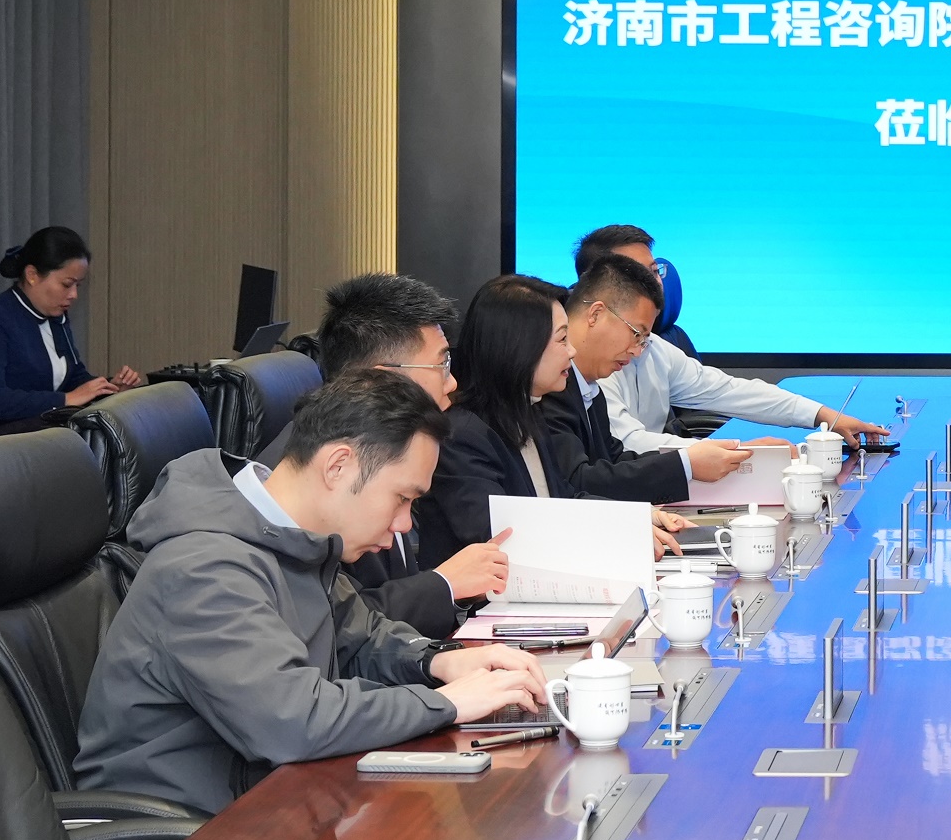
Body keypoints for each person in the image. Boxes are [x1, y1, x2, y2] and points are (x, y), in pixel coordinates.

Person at [75, 371, 546, 815]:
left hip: (274, 806)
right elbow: (291, 720)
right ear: (338, 466)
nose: (405, 523)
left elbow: (360, 637)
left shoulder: (289, 536)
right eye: (402, 498)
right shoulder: (204, 567)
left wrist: (438, 662)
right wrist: (448, 703)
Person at [312, 272, 510, 636]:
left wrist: (457, 591)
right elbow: (334, 627)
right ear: (384, 379)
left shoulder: (389, 450)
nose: (453, 383)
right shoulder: (319, 473)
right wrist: (444, 584)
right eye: (441, 366)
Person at [575, 225, 892, 449]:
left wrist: (825, 416)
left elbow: (729, 391)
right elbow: (629, 443)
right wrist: (744, 451)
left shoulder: (655, 347)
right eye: (638, 273)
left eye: (654, 271)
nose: (654, 283)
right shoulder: (589, 364)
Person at [413, 275, 577, 570]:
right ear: (521, 347)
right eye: (562, 339)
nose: (572, 351)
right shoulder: (462, 436)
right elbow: (501, 539)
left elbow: (562, 498)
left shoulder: (528, 412)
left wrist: (634, 522)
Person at [543, 253, 731, 503]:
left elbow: (614, 460)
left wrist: (693, 458)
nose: (637, 351)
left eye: (644, 340)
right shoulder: (550, 388)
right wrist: (685, 463)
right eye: (636, 334)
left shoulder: (589, 387)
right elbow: (577, 481)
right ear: (596, 314)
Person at [0, 226, 142, 437]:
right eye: (66, 284)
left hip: (41, 435)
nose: (73, 295)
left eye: (78, 285)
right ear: (32, 275)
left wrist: (108, 390)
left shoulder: (56, 317)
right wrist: (66, 399)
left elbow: (73, 376)